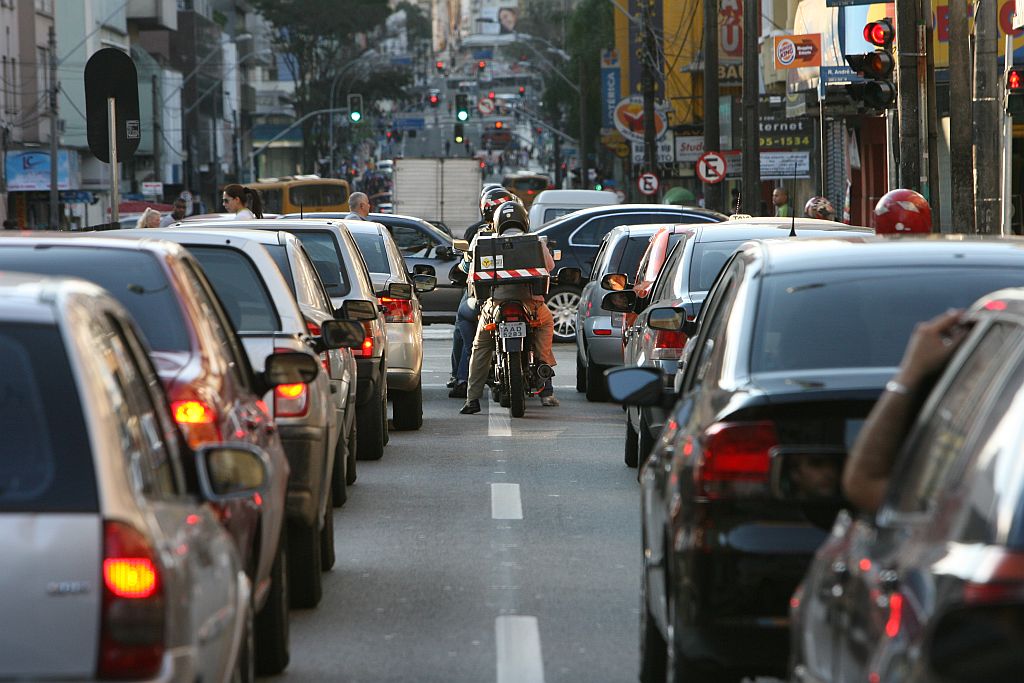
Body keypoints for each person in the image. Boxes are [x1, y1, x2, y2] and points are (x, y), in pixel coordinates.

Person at [842, 309, 971, 513]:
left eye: (967, 382)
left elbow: (864, 486)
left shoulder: (974, 463)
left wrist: (910, 373)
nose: (964, 393)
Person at [461, 201, 558, 414]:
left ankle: (472, 400)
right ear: (524, 220)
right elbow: (550, 267)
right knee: (547, 322)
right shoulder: (535, 241)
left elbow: (470, 274)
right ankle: (543, 365)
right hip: (531, 305)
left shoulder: (483, 241)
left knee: (480, 348)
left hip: (494, 305)